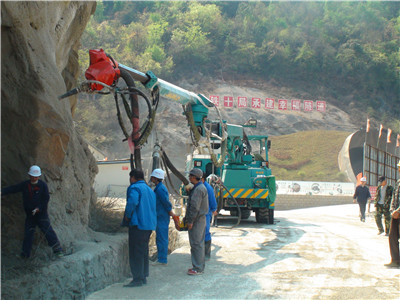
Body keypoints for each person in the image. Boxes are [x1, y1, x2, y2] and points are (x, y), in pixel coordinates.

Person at [1, 165, 63, 258]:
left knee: (48, 231)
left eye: (36, 176)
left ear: (39, 176)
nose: (34, 178)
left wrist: (39, 208)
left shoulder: (43, 186)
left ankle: (58, 251)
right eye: (32, 176)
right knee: (28, 234)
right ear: (29, 176)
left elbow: (45, 199)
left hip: (41, 215)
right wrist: (2, 191)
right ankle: (25, 255)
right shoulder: (25, 185)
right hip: (30, 215)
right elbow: (14, 188)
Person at [123, 169, 157, 287]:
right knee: (143, 251)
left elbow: (132, 203)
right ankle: (143, 276)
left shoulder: (134, 188)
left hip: (138, 225)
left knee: (135, 252)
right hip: (148, 225)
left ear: (133, 177)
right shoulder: (150, 190)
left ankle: (137, 278)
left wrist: (127, 216)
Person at [149, 168, 177, 266]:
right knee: (160, 238)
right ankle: (161, 258)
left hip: (162, 216)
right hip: (160, 216)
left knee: (162, 238)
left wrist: (170, 212)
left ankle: (162, 260)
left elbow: (165, 202)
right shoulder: (159, 188)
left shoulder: (160, 189)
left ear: (156, 178)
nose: (151, 178)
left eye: (152, 177)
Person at [185, 168, 209, 275]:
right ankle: (198, 266)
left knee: (196, 243)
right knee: (198, 243)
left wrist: (190, 221)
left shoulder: (198, 190)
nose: (189, 177)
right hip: (200, 219)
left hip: (197, 220)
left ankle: (198, 268)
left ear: (195, 177)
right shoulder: (198, 188)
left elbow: (194, 207)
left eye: (191, 176)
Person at [385, 161, 400, 268]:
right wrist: (392, 210)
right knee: (392, 236)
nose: (398, 169)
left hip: (398, 213)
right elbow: (394, 197)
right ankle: (395, 260)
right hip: (395, 214)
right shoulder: (398, 182)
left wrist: (399, 211)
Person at [201, 173, 217, 260]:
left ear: (202, 179)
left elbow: (212, 199)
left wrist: (214, 209)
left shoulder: (207, 188)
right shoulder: (199, 187)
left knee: (205, 232)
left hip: (206, 213)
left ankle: (206, 254)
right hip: (200, 214)